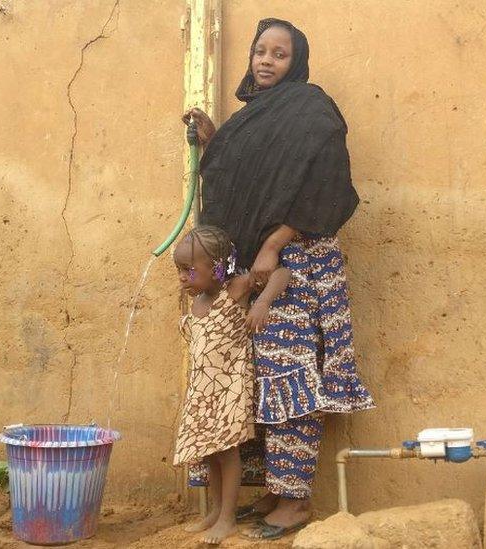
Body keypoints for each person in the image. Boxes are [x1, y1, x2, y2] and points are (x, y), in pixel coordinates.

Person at [182, 17, 375, 540]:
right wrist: (216, 142)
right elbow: (251, 182)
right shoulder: (253, 118)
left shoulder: (312, 110)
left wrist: (270, 243)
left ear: (297, 62)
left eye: (279, 54)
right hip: (257, 271)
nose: (266, 61)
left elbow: (320, 182)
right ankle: (273, 488)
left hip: (299, 267)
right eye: (259, 51)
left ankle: (295, 502)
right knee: (257, 380)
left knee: (290, 377)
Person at [172, 225, 290, 544]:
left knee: (226, 451)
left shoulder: (235, 288)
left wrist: (262, 302)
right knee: (209, 452)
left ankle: (228, 518)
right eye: (179, 270)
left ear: (217, 268)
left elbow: (281, 275)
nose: (182, 277)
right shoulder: (197, 301)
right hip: (203, 391)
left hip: (230, 389)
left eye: (188, 270)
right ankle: (214, 511)